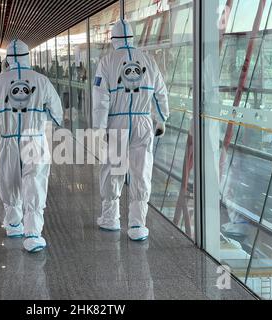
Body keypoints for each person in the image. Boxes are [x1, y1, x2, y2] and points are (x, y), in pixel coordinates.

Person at [92, 19, 169, 242]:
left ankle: (110, 219)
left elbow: (101, 99)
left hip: (117, 123)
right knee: (141, 170)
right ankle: (137, 224)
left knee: (113, 168)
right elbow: (160, 93)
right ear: (132, 37)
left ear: (113, 39)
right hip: (143, 122)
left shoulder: (107, 62)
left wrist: (99, 128)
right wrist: (161, 119)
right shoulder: (148, 60)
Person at [0, 39, 63, 253]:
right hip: (34, 138)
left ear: (8, 59)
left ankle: (13, 225)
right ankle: (33, 234)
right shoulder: (42, 80)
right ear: (28, 56)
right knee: (34, 182)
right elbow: (57, 113)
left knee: (9, 181)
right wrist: (43, 118)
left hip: (8, 139)